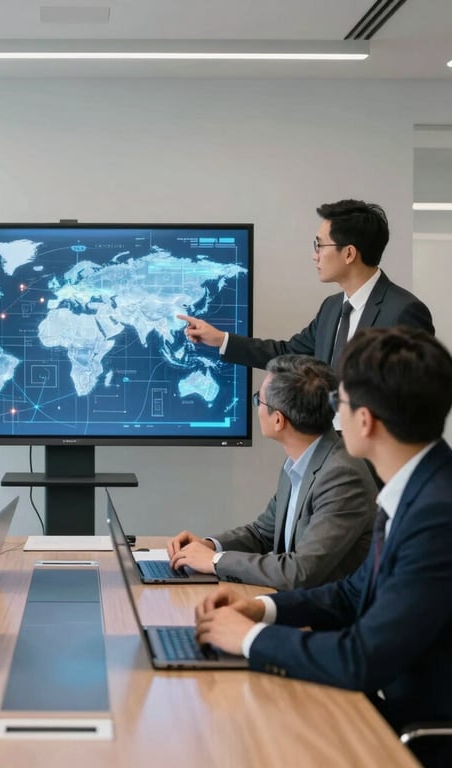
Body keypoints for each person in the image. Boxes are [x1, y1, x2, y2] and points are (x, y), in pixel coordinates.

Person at [195, 327, 452, 768]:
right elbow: (352, 593)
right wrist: (261, 610)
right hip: (380, 701)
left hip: (410, 733)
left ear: (366, 421)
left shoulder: (436, 516)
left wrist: (251, 639)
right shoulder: (418, 489)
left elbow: (361, 658)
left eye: (340, 404)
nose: (333, 416)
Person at [167, 355, 376, 589]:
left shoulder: (342, 476)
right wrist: (210, 545)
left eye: (259, 400)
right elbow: (262, 533)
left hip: (326, 619)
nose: (256, 407)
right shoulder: (300, 460)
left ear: (278, 420)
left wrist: (215, 561)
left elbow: (299, 572)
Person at [178, 199, 434, 371]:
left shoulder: (403, 311)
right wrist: (221, 339)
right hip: (330, 449)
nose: (315, 255)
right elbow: (288, 353)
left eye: (319, 245)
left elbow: (416, 398)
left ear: (349, 253)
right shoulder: (332, 308)